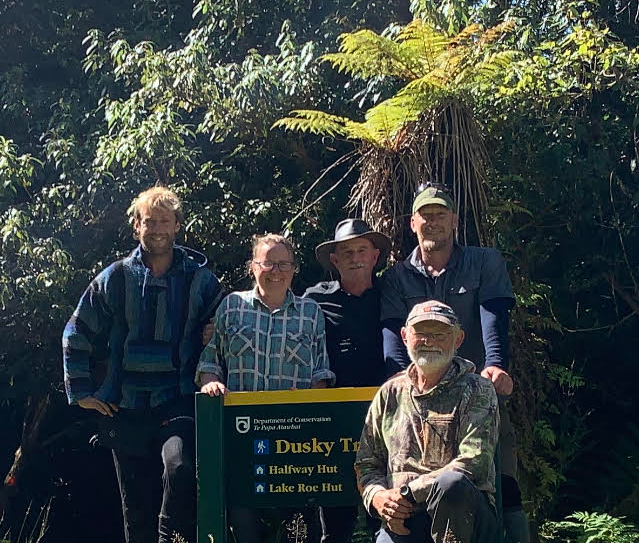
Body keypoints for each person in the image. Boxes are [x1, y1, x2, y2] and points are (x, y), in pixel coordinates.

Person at [62, 186, 225, 543]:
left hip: (179, 397)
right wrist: (82, 392)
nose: (157, 229)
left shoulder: (200, 278)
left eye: (164, 221)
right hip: (124, 404)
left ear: (177, 225)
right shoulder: (116, 277)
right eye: (149, 222)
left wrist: (214, 331)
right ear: (137, 226)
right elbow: (76, 331)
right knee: (135, 512)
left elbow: (228, 323)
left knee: (179, 468)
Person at [380, 183, 529, 542]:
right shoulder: (396, 276)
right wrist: (401, 380)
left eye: (440, 214)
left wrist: (496, 365)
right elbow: (392, 334)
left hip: (475, 394)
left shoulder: (484, 261)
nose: (433, 222)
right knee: (409, 480)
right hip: (419, 397)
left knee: (501, 477)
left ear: (455, 221)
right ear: (413, 222)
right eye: (425, 215)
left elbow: (493, 316)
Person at [196, 233, 335, 543]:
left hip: (293, 442)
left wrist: (311, 411)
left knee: (295, 532)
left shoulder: (311, 313)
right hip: (240, 439)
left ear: (295, 269)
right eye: (268, 263)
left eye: (283, 264)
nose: (276, 271)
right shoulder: (231, 306)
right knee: (244, 529)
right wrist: (212, 384)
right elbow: (210, 361)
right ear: (253, 267)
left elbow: (320, 373)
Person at [355, 301, 499, 543]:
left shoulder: (478, 389)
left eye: (440, 335)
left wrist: (408, 493)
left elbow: (474, 461)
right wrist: (379, 498)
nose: (429, 341)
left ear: (459, 339)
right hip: (404, 518)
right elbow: (367, 463)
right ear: (404, 336)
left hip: (465, 517)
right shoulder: (390, 393)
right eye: (421, 333)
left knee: (451, 483)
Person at [303, 218, 390, 542]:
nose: (355, 257)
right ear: (335, 260)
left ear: (374, 257)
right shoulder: (313, 299)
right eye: (347, 252)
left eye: (362, 250)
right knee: (335, 522)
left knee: (383, 517)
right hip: (333, 419)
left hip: (384, 418)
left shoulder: (391, 294)